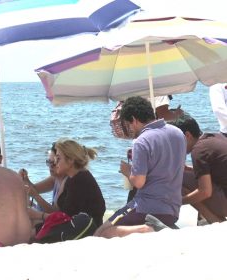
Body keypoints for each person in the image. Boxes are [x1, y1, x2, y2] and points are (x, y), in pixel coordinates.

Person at [95, 96, 186, 238]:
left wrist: (127, 171)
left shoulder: (142, 141)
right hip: (172, 209)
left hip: (147, 206)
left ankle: (148, 229)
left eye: (128, 124)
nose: (130, 129)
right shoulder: (178, 133)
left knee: (101, 233)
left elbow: (138, 182)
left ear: (134, 120)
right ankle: (151, 228)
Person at [170, 114, 227, 223]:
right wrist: (192, 170)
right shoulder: (215, 137)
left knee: (178, 178)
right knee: (185, 175)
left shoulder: (198, 151)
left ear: (187, 135)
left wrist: (180, 201)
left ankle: (216, 222)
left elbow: (205, 192)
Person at [54, 139, 106, 227]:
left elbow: (65, 217)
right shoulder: (73, 178)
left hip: (86, 232)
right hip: (79, 228)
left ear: (70, 160)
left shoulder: (79, 181)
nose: (55, 162)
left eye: (58, 158)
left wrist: (39, 215)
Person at [19, 142, 67, 213]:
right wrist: (25, 179)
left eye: (53, 163)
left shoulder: (66, 180)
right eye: (48, 162)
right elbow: (34, 189)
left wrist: (36, 196)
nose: (50, 166)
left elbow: (55, 213)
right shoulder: (55, 178)